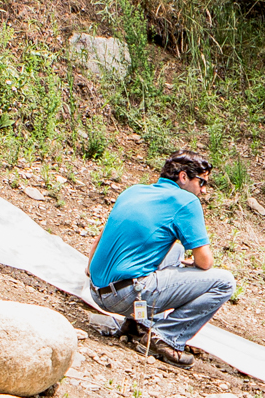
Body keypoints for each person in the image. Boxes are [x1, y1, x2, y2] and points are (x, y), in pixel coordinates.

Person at [88, 150, 236, 368]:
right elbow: (206, 262)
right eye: (201, 182)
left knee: (174, 251)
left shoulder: (134, 190)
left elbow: (100, 238)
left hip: (96, 290)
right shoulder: (186, 202)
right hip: (125, 296)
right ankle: (166, 337)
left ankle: (136, 324)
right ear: (183, 176)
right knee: (224, 282)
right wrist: (193, 267)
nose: (204, 190)